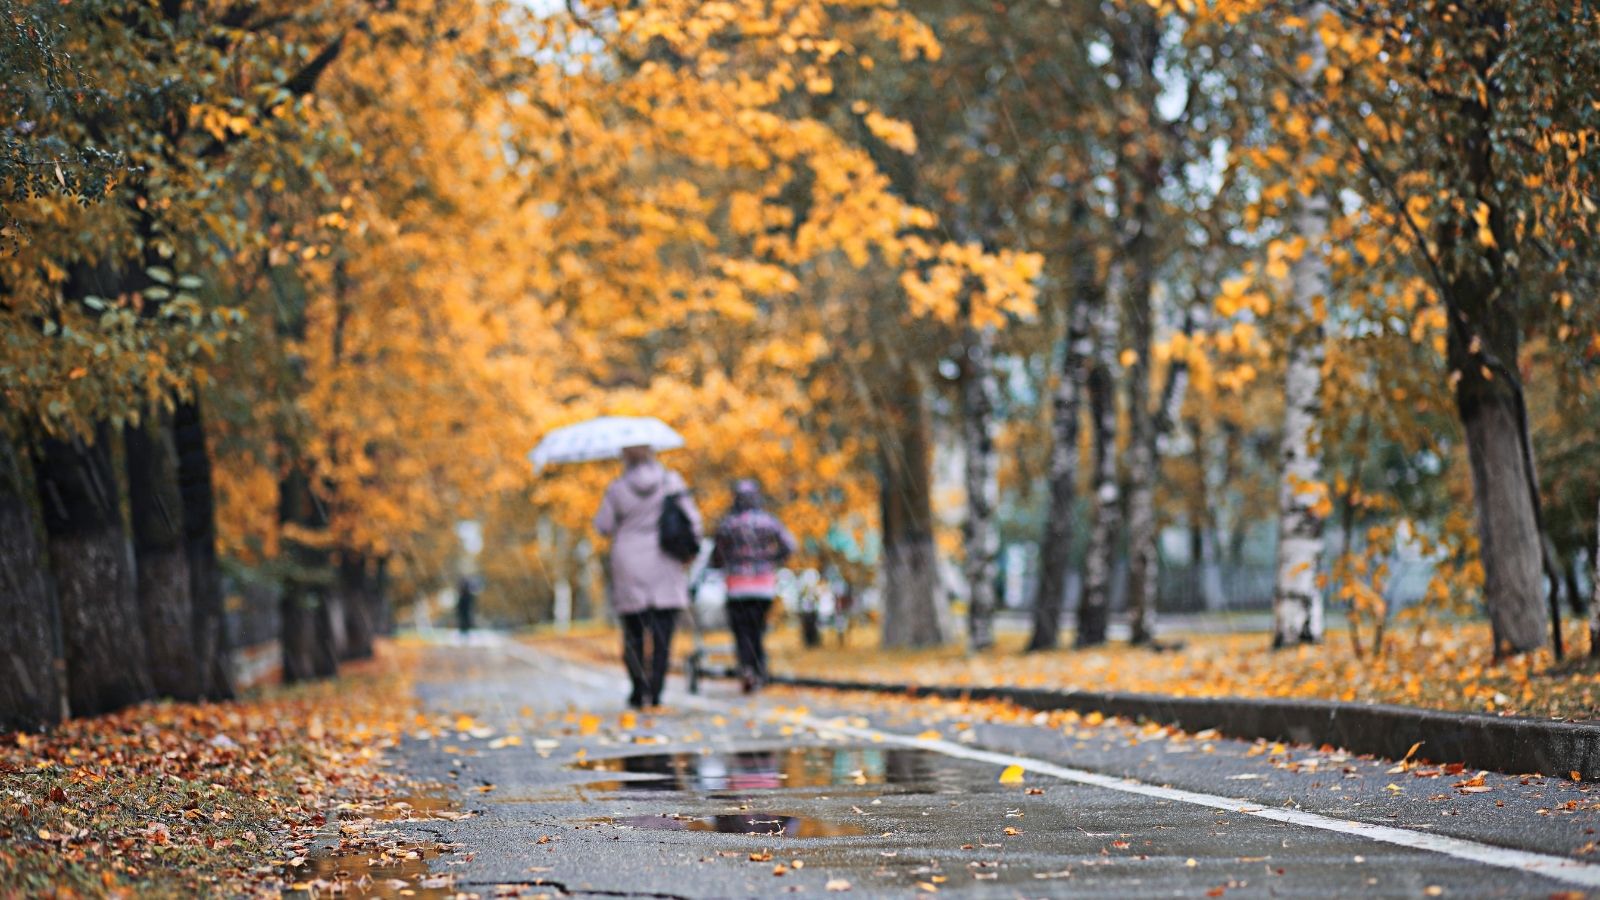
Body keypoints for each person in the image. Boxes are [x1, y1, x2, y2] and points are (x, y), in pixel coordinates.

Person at [593, 445, 701, 709]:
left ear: (626, 458)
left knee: (634, 633)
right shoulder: (671, 482)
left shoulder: (617, 488)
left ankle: (638, 688)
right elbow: (694, 521)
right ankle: (656, 690)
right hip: (665, 562)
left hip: (629, 563)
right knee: (663, 634)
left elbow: (603, 526)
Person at [710, 480, 797, 693]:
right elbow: (790, 546)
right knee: (757, 629)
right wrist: (771, 560)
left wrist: (729, 561)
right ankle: (759, 669)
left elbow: (717, 556)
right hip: (763, 585)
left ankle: (747, 667)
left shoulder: (728, 524)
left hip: (737, 586)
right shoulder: (768, 522)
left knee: (742, 631)